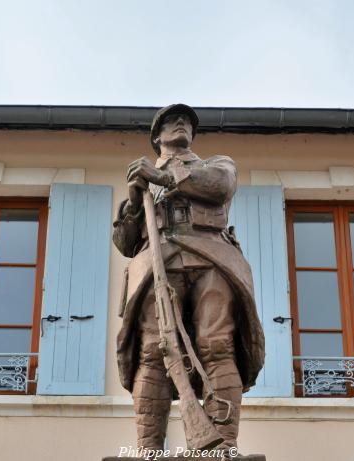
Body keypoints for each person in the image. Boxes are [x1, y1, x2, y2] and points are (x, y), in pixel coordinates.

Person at [113, 103, 264, 453]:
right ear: (157, 136)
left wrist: (164, 177)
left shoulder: (216, 164)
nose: (179, 123)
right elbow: (125, 242)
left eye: (184, 121)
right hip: (158, 263)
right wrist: (135, 200)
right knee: (154, 351)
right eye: (170, 121)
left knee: (217, 345)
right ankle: (149, 448)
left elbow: (221, 186)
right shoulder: (143, 180)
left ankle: (223, 445)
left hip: (212, 257)